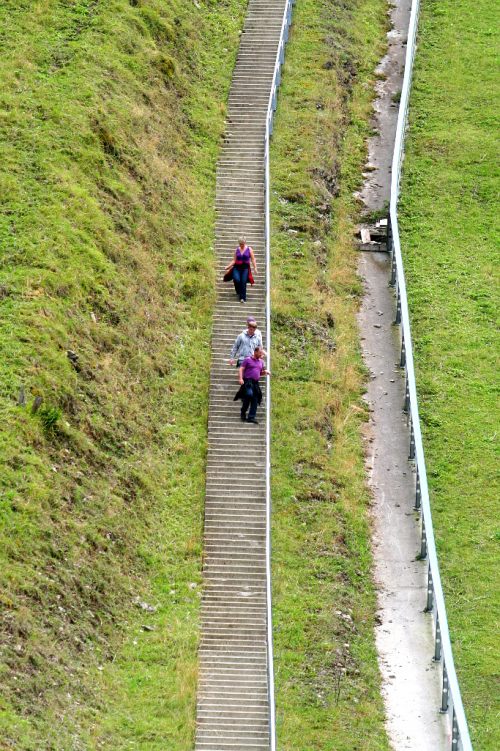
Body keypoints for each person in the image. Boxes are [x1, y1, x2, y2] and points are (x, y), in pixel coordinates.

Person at [233, 346, 270, 425]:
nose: (261, 354)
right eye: (260, 353)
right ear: (255, 352)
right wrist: (241, 379)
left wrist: (265, 372)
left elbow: (259, 372)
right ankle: (243, 410)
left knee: (255, 398)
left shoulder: (261, 362)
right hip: (247, 382)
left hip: (255, 382)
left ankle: (251, 417)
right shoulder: (247, 360)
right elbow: (241, 369)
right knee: (249, 394)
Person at [224, 236, 258, 303]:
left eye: (242, 244)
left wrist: (255, 268)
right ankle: (238, 292)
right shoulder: (236, 250)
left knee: (243, 281)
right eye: (240, 244)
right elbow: (234, 260)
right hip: (236, 267)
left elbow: (253, 259)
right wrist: (228, 266)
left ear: (245, 243)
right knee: (236, 280)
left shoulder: (249, 249)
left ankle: (242, 298)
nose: (241, 245)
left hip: (245, 268)